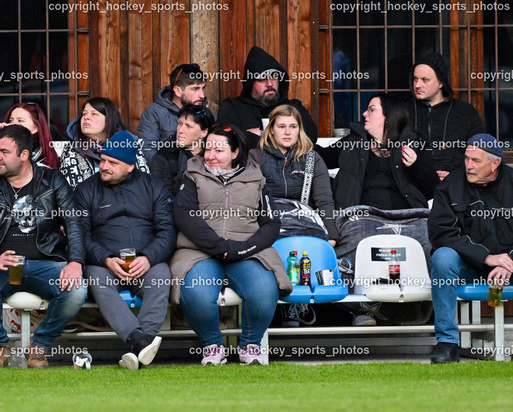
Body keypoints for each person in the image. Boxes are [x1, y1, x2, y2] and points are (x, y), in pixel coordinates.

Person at [170, 124, 292, 365]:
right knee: (196, 291)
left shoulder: (256, 178)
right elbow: (184, 216)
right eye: (208, 149)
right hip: (198, 252)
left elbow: (271, 224)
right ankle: (212, 346)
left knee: (264, 290)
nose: (210, 156)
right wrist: (220, 247)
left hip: (246, 252)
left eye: (219, 150)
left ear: (235, 152)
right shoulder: (191, 175)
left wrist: (242, 249)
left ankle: (250, 346)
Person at [0, 125, 86, 369]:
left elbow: (73, 222)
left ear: (24, 155)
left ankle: (39, 346)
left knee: (76, 289)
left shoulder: (52, 180)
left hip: (46, 262)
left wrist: (75, 261)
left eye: (4, 152)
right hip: (1, 266)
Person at [319, 93, 439, 326]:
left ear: (389, 117)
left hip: (407, 219)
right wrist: (293, 135)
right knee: (356, 236)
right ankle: (360, 306)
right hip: (363, 216)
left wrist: (417, 165)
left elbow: (432, 189)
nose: (365, 114)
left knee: (429, 236)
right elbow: (321, 157)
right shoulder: (354, 142)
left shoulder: (412, 143)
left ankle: (416, 306)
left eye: (371, 109)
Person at [76, 131, 176, 370]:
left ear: (130, 166)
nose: (104, 167)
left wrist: (148, 258)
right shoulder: (86, 190)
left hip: (145, 261)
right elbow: (80, 235)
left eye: (113, 163)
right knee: (96, 278)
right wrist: (105, 259)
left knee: (161, 274)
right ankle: (140, 342)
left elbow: (167, 231)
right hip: (105, 264)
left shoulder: (152, 187)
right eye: (103, 160)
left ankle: (139, 345)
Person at [428, 134, 513, 364]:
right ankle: (447, 343)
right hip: (468, 266)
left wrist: (512, 261)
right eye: (466, 158)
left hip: (511, 267)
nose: (468, 165)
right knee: (442, 257)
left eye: (475, 160)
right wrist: (486, 258)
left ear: (495, 163)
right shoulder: (449, 186)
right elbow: (441, 232)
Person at [252, 104, 338, 327]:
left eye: (293, 126)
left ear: (300, 130)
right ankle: (278, 302)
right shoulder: (256, 157)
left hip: (302, 222)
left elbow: (324, 200)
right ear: (271, 130)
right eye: (281, 126)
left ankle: (296, 302)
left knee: (307, 245)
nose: (288, 132)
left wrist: (331, 234)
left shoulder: (312, 159)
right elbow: (248, 198)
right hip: (268, 220)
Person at [217, 46, 318, 147]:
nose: (269, 84)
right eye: (262, 79)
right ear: (251, 84)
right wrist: (286, 137)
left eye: (274, 77)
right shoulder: (232, 107)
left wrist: (263, 132)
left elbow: (310, 135)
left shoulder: (293, 106)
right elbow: (227, 139)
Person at [406, 52, 484, 180]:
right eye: (415, 79)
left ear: (441, 82)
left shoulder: (465, 112)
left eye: (425, 80)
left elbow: (479, 153)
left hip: (456, 186)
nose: (417, 85)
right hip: (413, 185)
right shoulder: (403, 112)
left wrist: (457, 177)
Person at [59, 97, 149, 189]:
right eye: (84, 113)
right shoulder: (72, 149)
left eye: (94, 114)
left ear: (109, 119)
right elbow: (73, 190)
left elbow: (144, 185)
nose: (86, 117)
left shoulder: (130, 144)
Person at [137, 63, 209, 163]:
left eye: (203, 88)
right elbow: (147, 150)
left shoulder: (208, 115)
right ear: (177, 91)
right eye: (195, 89)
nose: (202, 95)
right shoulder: (155, 112)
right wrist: (167, 170)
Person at [149, 104, 215, 195]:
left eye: (188, 126)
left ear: (204, 132)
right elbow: (163, 199)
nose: (180, 130)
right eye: (180, 124)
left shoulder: (215, 157)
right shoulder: (164, 157)